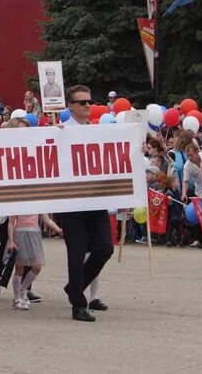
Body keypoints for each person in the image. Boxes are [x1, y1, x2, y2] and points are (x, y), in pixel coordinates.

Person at [58, 84, 115, 322]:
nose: (88, 105)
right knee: (77, 251)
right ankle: (78, 306)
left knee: (104, 248)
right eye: (82, 102)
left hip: (94, 199)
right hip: (71, 202)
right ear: (70, 106)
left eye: (89, 101)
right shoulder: (61, 130)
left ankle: (74, 287)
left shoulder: (96, 131)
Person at [7, 213, 62, 310]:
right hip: (20, 233)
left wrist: (59, 230)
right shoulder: (17, 204)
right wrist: (11, 241)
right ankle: (16, 298)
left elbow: (47, 220)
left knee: (37, 266)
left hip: (34, 234)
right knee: (19, 266)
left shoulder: (37, 204)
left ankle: (23, 290)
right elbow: (11, 223)